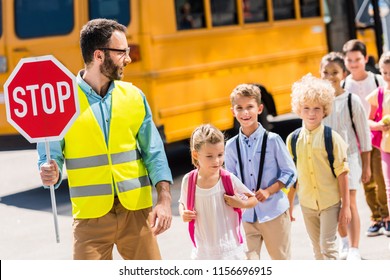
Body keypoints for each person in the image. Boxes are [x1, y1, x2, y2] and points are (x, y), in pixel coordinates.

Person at [37, 18, 173, 260]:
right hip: (90, 219)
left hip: (136, 213)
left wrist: (164, 200)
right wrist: (50, 172)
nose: (128, 59)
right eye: (122, 52)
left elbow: (154, 153)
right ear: (99, 56)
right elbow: (50, 157)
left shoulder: (134, 96)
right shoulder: (60, 101)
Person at [225, 84, 297, 260]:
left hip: (274, 213)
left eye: (250, 107)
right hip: (246, 217)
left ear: (259, 108)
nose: (245, 112)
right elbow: (229, 180)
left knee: (281, 261)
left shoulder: (273, 140)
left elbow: (290, 172)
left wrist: (268, 190)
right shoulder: (231, 146)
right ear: (233, 111)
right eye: (239, 108)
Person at [286, 74, 351, 260]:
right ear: (299, 109)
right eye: (306, 108)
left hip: (330, 203)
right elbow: (292, 177)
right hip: (307, 205)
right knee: (316, 250)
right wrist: (290, 206)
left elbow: (343, 174)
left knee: (327, 247)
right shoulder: (293, 140)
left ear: (325, 110)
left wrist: (345, 206)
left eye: (317, 108)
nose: (311, 113)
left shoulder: (332, 138)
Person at [178, 124, 257, 260]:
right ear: (195, 154)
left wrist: (241, 204)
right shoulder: (189, 180)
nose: (216, 161)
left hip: (230, 251)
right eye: (209, 156)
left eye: (220, 155)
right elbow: (182, 203)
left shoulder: (228, 179)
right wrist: (183, 213)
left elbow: (253, 199)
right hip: (203, 251)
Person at [321, 52, 372, 260]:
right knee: (333, 206)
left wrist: (366, 166)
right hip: (325, 161)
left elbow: (364, 136)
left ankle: (354, 248)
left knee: (349, 202)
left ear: (343, 74)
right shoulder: (319, 102)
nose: (330, 76)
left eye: (334, 72)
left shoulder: (352, 101)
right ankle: (343, 242)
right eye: (325, 72)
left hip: (349, 159)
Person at [342, 39, 389, 237]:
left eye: (357, 59)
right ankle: (376, 217)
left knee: (379, 176)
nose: (354, 64)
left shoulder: (378, 80)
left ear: (365, 59)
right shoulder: (345, 84)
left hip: (376, 137)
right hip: (355, 139)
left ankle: (386, 215)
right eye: (350, 60)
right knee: (365, 179)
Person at [366, 51, 390, 239]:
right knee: (388, 185)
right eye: (385, 73)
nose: (388, 77)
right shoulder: (378, 94)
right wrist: (379, 126)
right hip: (386, 147)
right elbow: (368, 120)